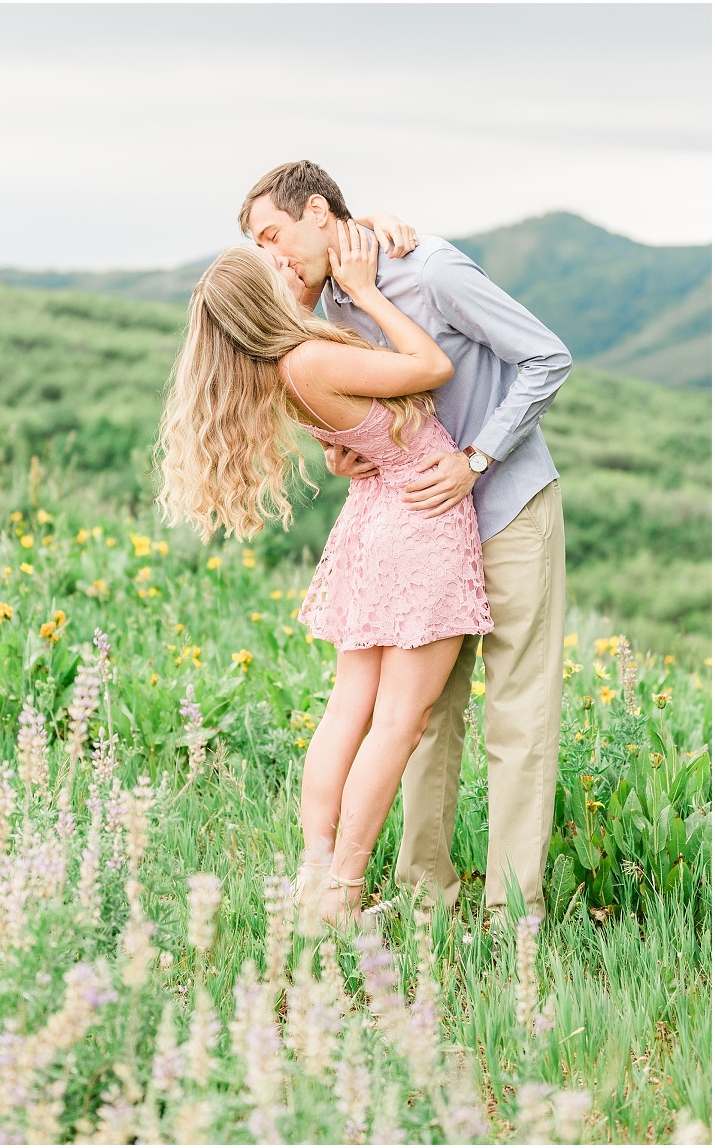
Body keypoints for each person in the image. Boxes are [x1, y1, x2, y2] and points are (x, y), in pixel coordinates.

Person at [239, 160, 572, 923]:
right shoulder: (323, 302)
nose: (273, 255)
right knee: (423, 717)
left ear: (317, 211)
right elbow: (352, 400)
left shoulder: (433, 270)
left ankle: (508, 915)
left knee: (517, 715)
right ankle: (427, 900)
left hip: (508, 506)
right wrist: (339, 449)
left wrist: (477, 458)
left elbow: (546, 357)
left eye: (273, 234)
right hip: (422, 530)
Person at [155, 222, 493, 925]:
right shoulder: (311, 357)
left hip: (374, 522)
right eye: (272, 267)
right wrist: (367, 293)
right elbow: (432, 366)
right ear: (261, 299)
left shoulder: (280, 367)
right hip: (417, 518)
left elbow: (353, 437)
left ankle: (317, 874)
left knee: (350, 707)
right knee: (400, 720)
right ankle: (341, 892)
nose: (288, 267)